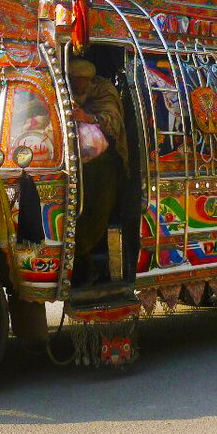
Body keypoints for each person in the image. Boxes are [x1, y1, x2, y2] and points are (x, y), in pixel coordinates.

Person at [68, 58, 128, 287]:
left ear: (90, 81)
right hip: (80, 162)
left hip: (106, 164)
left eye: (81, 83)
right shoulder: (68, 89)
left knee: (96, 211)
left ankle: (86, 263)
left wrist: (88, 118)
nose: (77, 87)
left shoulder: (104, 91)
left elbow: (115, 122)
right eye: (74, 82)